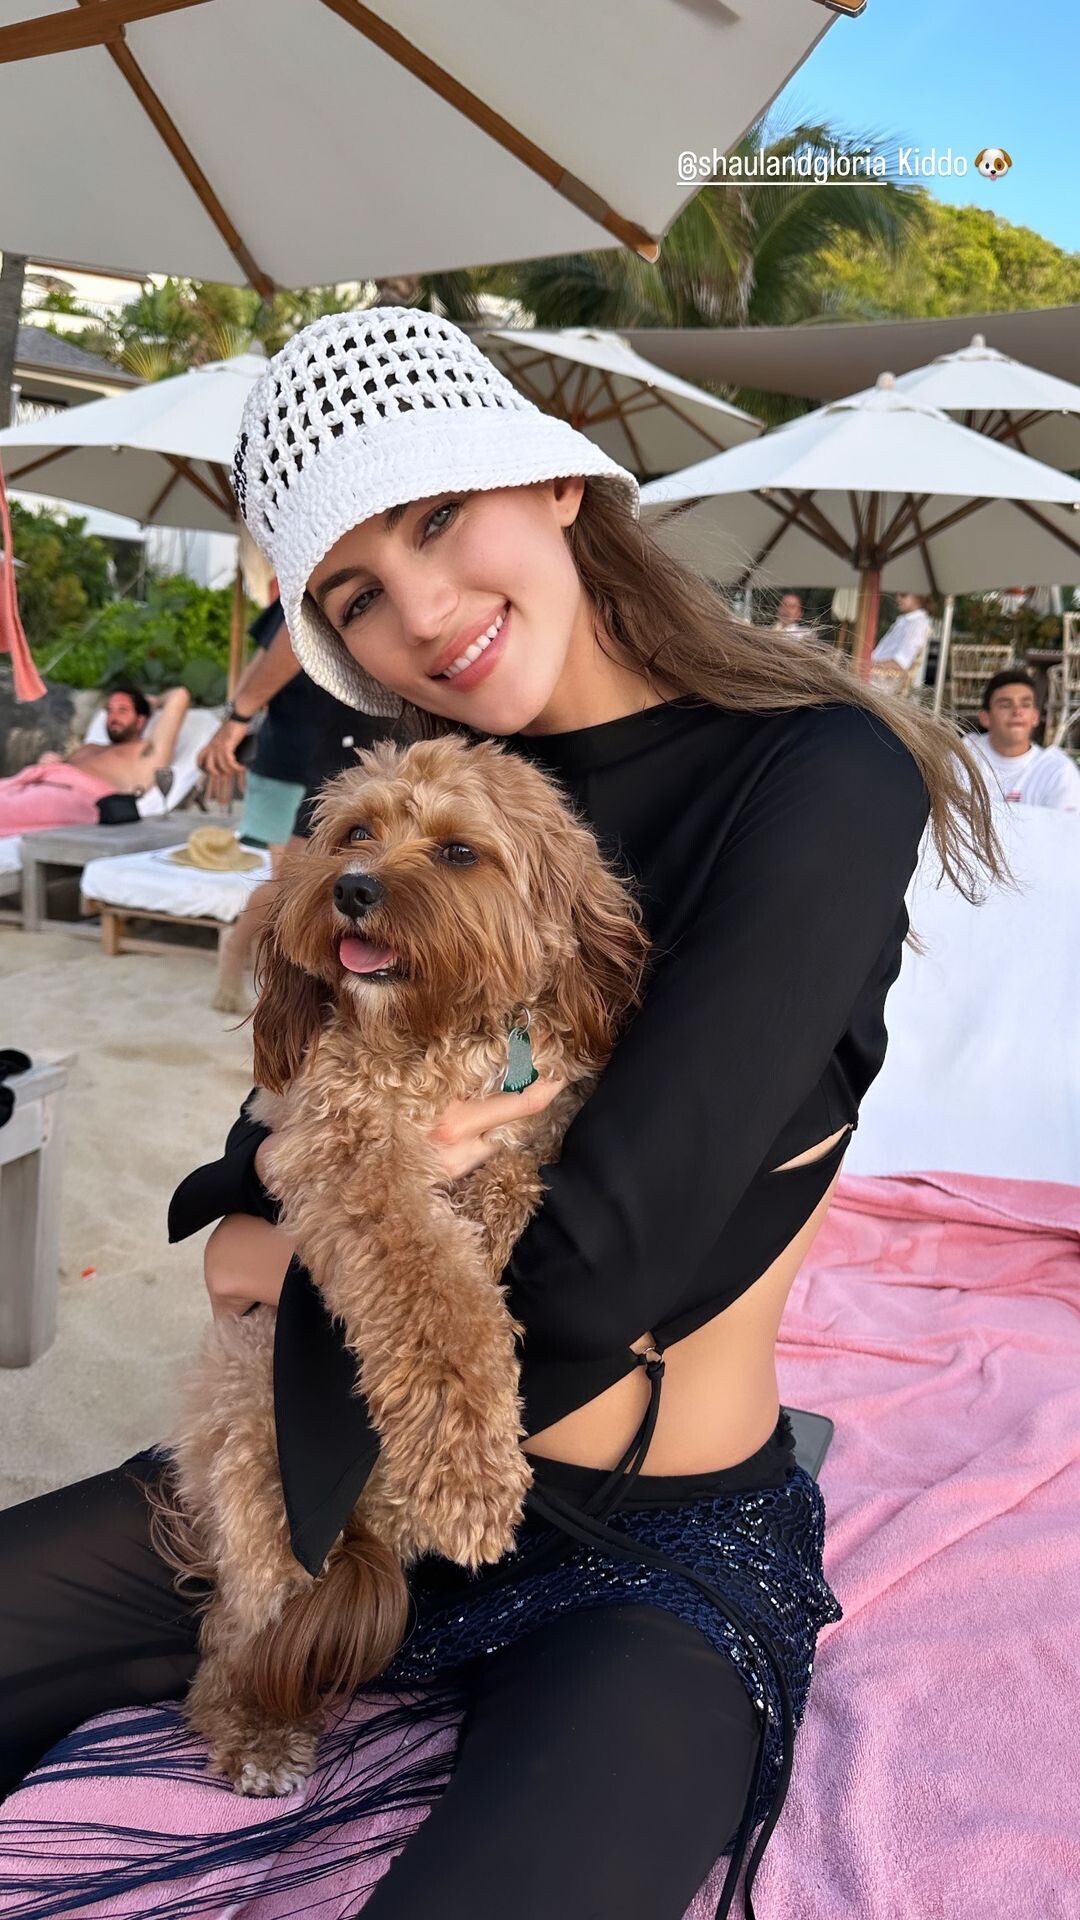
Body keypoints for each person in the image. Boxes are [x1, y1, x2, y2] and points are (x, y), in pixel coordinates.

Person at [0, 310, 1005, 1920]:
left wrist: (295, 1237)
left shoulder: (813, 777)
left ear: (552, 483)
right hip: (321, 1481)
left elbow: (599, 1268)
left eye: (436, 518)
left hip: (645, 1549)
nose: (419, 612)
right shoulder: (410, 809)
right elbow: (241, 1185)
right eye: (353, 596)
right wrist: (286, 1218)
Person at [198, 592, 392, 1013]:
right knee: (292, 886)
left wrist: (236, 719)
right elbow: (276, 651)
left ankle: (256, 958)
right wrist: (236, 719)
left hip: (342, 751)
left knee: (311, 886)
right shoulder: (303, 595)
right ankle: (239, 950)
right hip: (296, 757)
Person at [0, 682, 190, 833]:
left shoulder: (147, 752)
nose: (113, 717)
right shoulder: (92, 747)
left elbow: (180, 695)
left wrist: (153, 702)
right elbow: (63, 770)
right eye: (110, 710)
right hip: (36, 786)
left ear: (140, 720)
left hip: (80, 800)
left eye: (122, 710)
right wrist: (52, 762)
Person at [967, 669, 1080, 812]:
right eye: (1005, 705)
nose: (1017, 712)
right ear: (985, 718)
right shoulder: (961, 756)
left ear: (1035, 717)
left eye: (1025, 705)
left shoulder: (1058, 771)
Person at [870, 592, 931, 682]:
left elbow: (900, 664)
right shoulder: (907, 621)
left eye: (903, 594)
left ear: (919, 597)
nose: (897, 598)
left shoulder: (917, 624)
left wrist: (865, 665)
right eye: (897, 594)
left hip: (882, 681)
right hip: (875, 675)